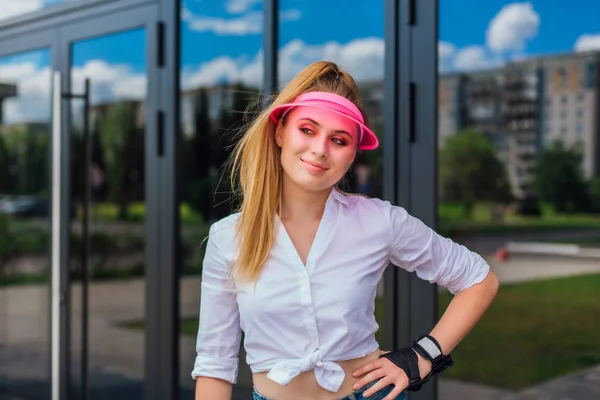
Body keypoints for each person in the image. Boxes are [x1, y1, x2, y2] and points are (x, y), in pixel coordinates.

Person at [191, 61, 499, 400]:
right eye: (307, 130)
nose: (320, 149)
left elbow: (478, 280)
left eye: (338, 139)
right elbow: (214, 364)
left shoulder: (379, 221)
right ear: (280, 132)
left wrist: (423, 356)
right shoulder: (227, 238)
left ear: (352, 155)